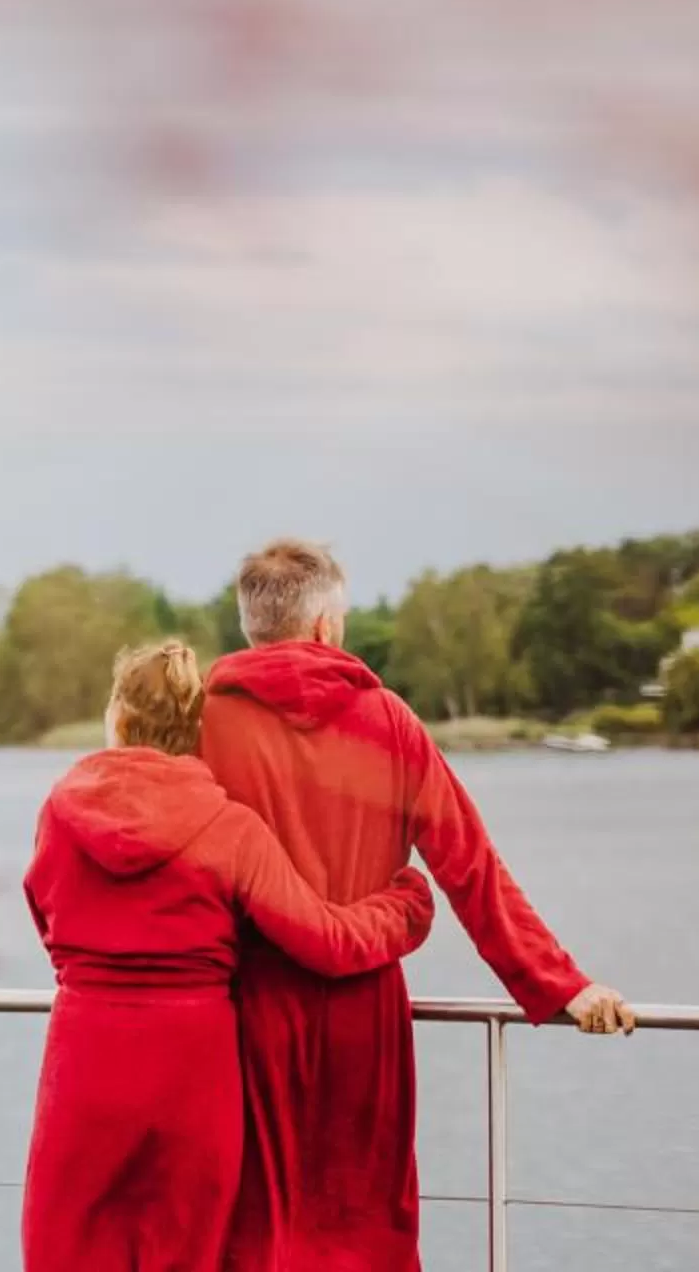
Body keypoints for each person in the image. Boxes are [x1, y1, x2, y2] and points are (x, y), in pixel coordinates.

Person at [203, 538, 639, 1269]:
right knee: (364, 1223)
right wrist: (561, 985)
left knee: (256, 1227)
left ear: (252, 626)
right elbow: (470, 869)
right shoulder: (388, 722)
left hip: (248, 1008)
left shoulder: (203, 725)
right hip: (363, 1012)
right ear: (325, 629)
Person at [21, 640, 438, 1272]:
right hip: (193, 1069)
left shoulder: (62, 810)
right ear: (193, 731)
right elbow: (326, 941)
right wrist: (404, 905)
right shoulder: (228, 826)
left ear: (119, 719)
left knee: (68, 1249)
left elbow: (45, 910)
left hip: (86, 1058)